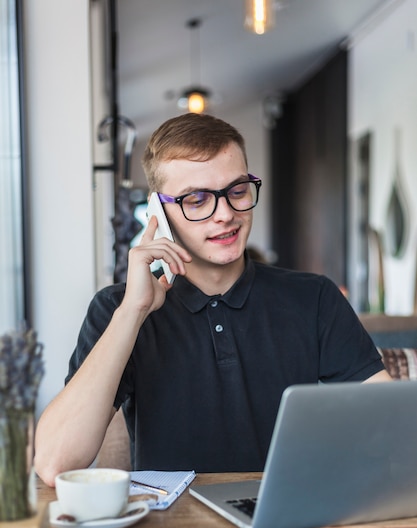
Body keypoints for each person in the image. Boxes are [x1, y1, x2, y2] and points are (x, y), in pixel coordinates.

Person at [34, 113, 391, 487]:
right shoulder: (116, 309)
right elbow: (56, 462)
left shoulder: (314, 296)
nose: (225, 215)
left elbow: (388, 424)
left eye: (237, 191)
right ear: (159, 211)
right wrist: (133, 312)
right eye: (197, 199)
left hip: (288, 522)